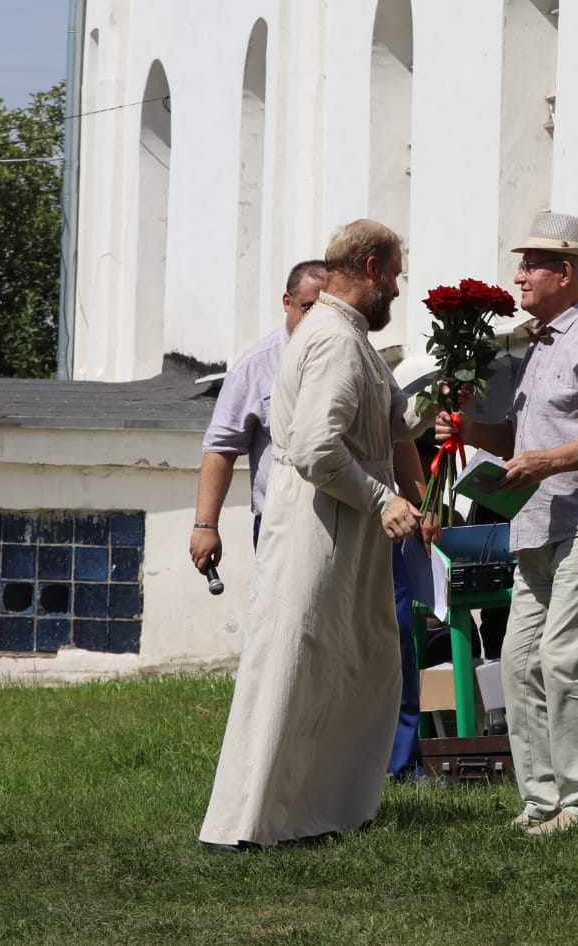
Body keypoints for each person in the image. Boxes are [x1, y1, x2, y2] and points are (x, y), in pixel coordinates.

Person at [199, 219, 437, 850]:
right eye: (394, 275)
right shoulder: (334, 339)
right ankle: (255, 822)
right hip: (319, 528)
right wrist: (383, 498)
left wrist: (446, 389)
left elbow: (390, 423)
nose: (397, 289)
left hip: (338, 527)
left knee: (350, 667)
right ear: (369, 268)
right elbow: (313, 449)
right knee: (298, 668)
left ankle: (315, 812)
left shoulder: (348, 335)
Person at [455, 211, 578, 836]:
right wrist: (468, 431)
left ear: (565, 272)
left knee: (566, 657)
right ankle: (543, 803)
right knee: (518, 664)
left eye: (530, 265)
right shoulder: (537, 346)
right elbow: (524, 438)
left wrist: (547, 462)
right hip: (535, 525)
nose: (518, 276)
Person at [190, 259, 327, 573]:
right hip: (282, 524)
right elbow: (221, 448)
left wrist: (418, 502)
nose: (316, 321)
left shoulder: (355, 354)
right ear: (287, 302)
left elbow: (393, 429)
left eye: (325, 311)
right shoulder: (255, 366)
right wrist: (205, 526)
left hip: (347, 521)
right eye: (308, 308)